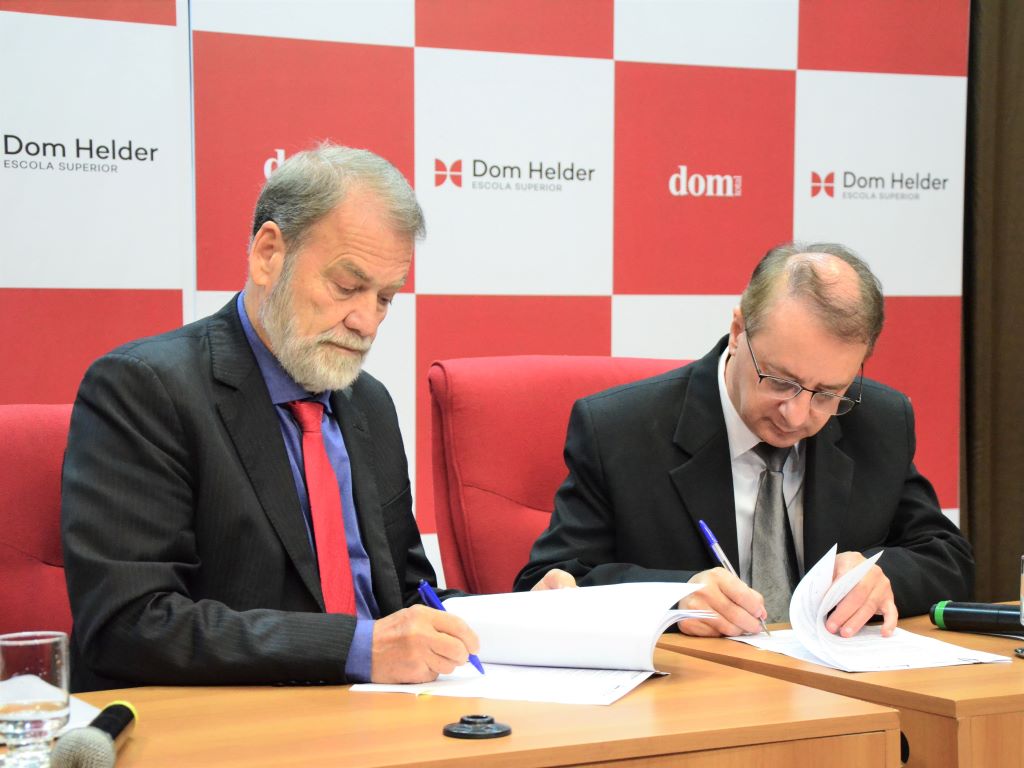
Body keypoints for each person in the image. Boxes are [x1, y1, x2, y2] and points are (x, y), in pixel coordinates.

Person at [62, 143, 569, 693]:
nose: (366, 322)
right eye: (347, 287)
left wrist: (517, 619)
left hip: (386, 718)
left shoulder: (367, 402)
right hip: (239, 726)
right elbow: (130, 624)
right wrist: (359, 649)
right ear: (268, 254)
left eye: (385, 298)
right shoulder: (147, 388)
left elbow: (405, 596)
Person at [515, 242, 973, 639]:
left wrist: (883, 575)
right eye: (779, 380)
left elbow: (948, 558)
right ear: (739, 332)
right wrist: (675, 598)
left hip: (838, 696)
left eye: (827, 393)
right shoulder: (619, 429)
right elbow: (549, 583)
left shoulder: (880, 420)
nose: (796, 414)